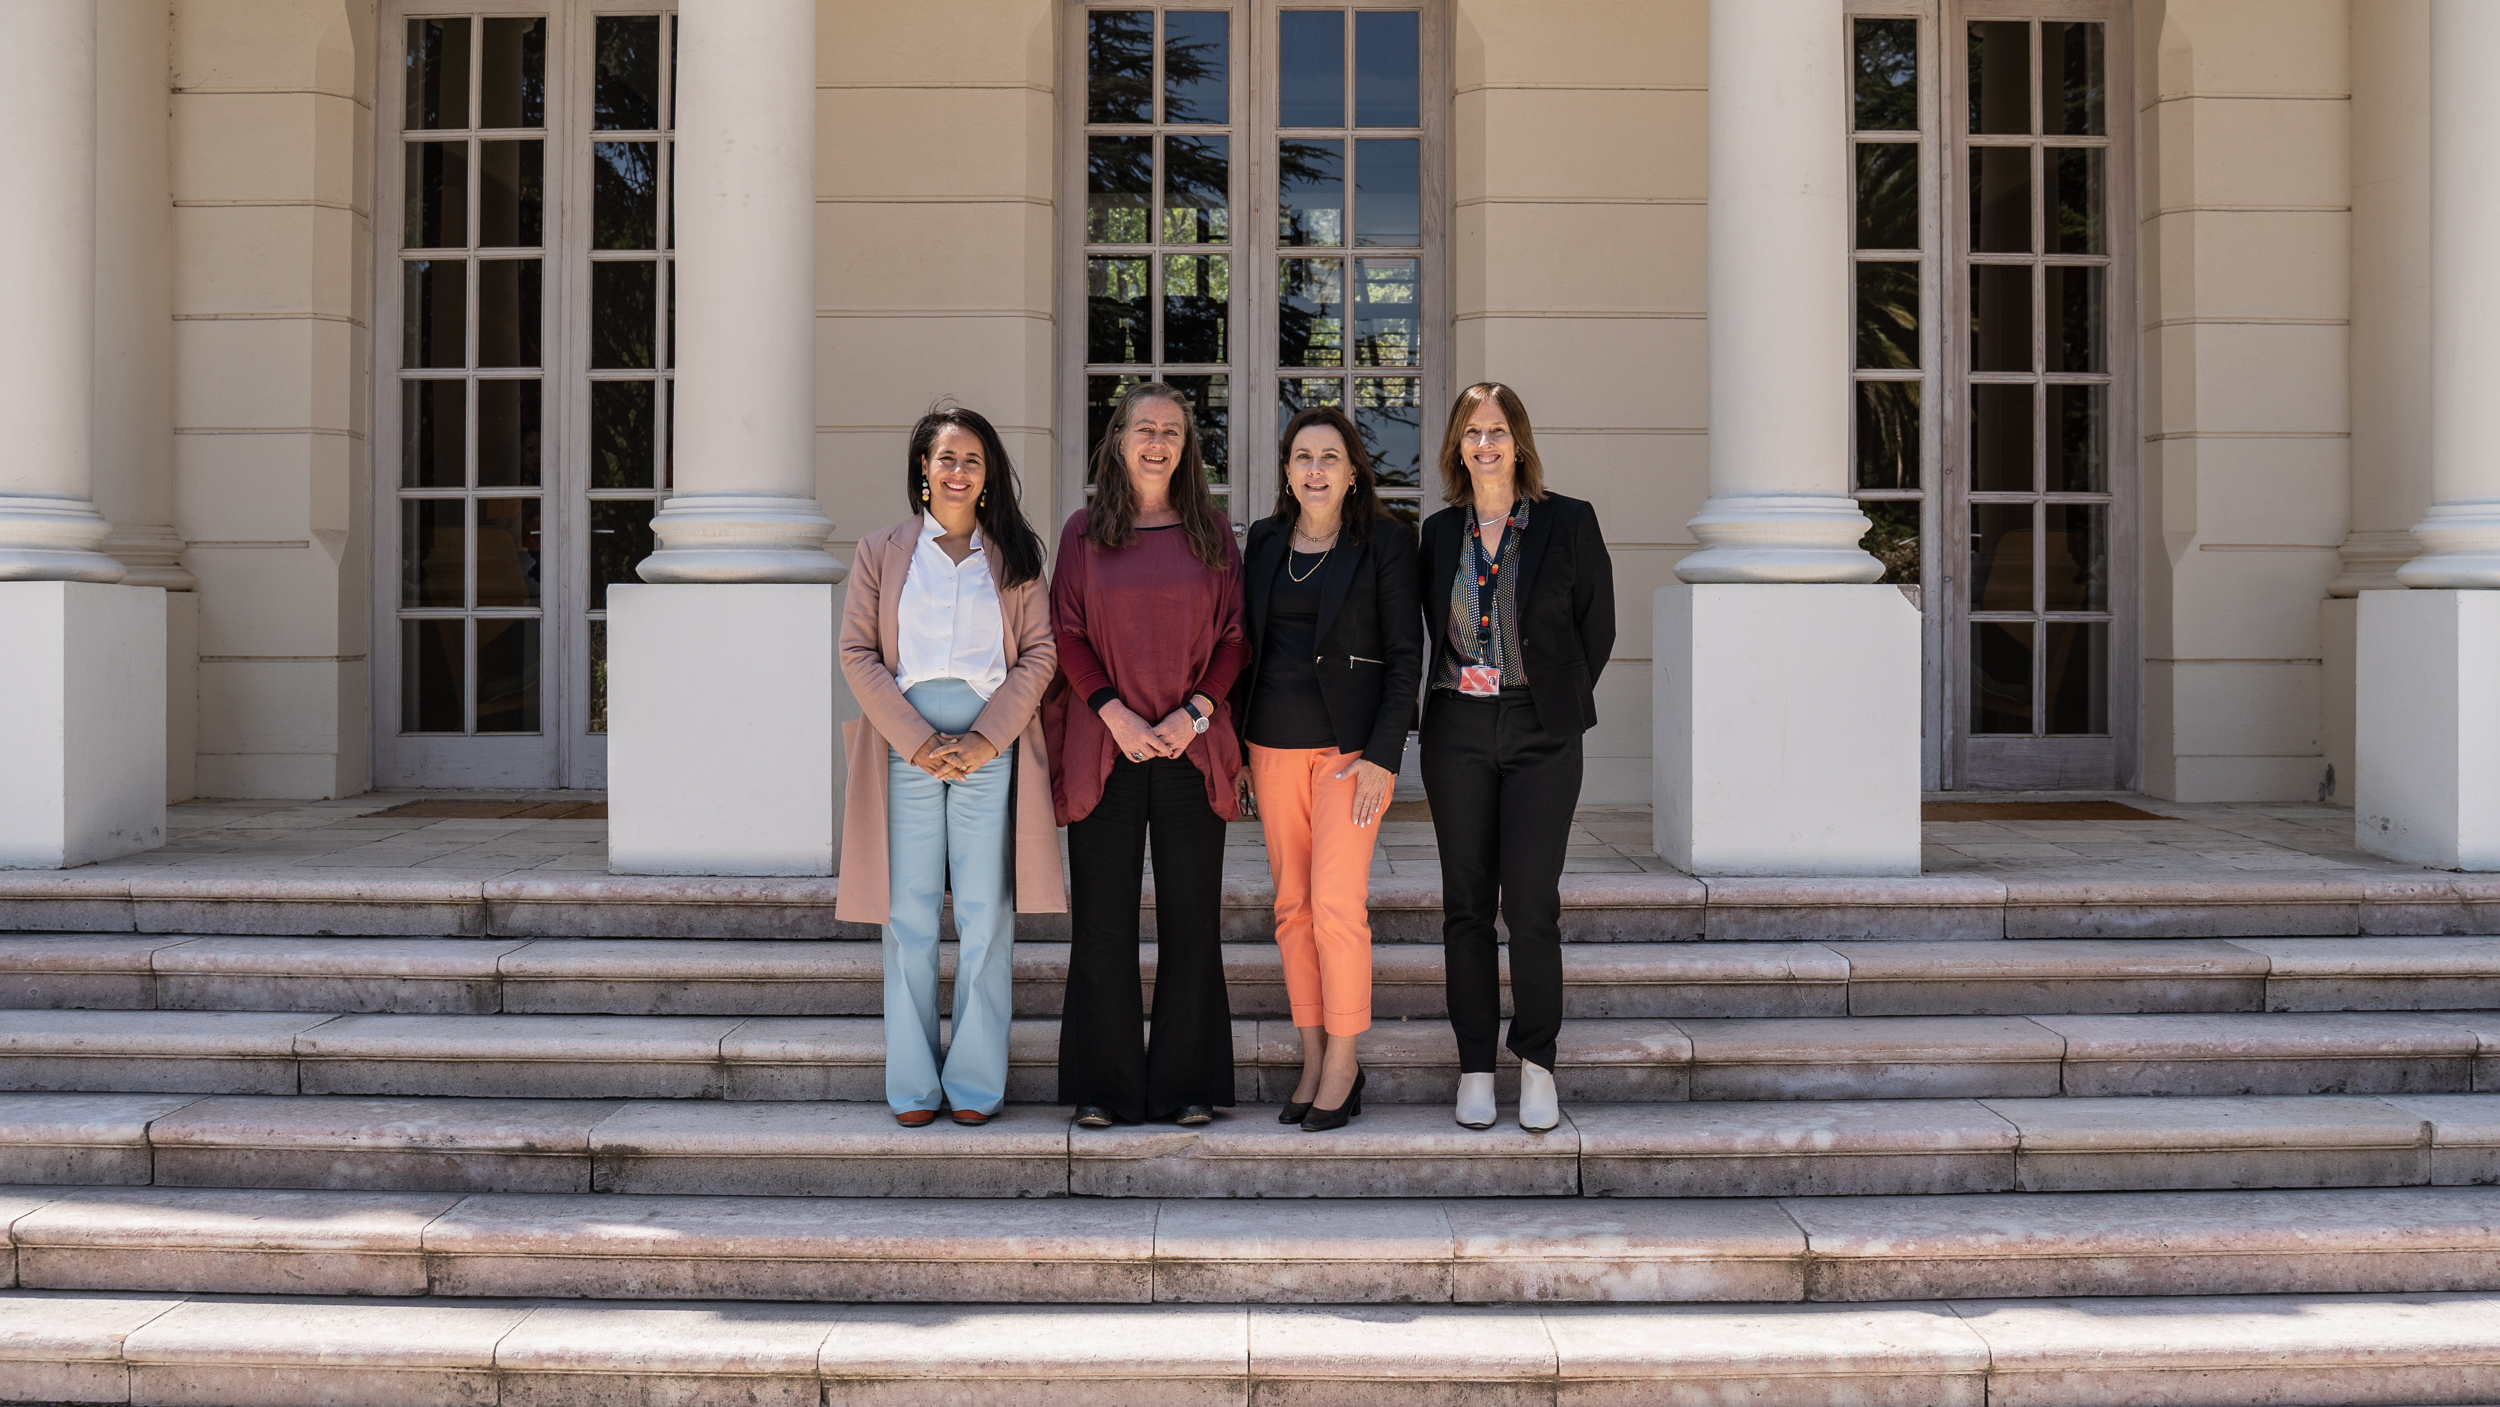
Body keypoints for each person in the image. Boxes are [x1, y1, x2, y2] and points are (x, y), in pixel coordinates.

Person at [836, 406, 1062, 1127]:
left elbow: (1040, 656)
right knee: (906, 915)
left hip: (989, 746)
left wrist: (987, 739)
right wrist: (915, 739)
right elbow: (857, 653)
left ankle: (972, 1083)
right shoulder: (881, 551)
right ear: (923, 472)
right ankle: (911, 1085)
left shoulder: (1017, 557)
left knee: (984, 914)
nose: (957, 470)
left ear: (987, 474)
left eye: (971, 458)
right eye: (945, 458)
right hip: (906, 747)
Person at [1048, 382, 1249, 1128]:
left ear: (1187, 445)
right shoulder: (1080, 533)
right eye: (1144, 428)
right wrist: (1116, 713)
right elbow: (1066, 632)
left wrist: (1195, 714)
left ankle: (1185, 1085)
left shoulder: (1212, 532)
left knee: (1192, 919)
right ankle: (1104, 1087)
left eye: (1171, 430)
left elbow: (1234, 638)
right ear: (1118, 440)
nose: (1158, 442)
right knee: (1102, 921)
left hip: (1191, 747)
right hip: (1109, 746)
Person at [1417, 382, 1615, 1133]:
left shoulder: (1568, 522)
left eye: (1497, 430)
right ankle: (1475, 1066)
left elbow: (1598, 628)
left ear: (1519, 441)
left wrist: (1551, 698)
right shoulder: (1438, 535)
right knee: (1466, 907)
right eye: (1472, 432)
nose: (1485, 444)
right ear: (1457, 447)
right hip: (1458, 733)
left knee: (1531, 904)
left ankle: (1536, 1062)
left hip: (1541, 733)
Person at [1234, 407, 1421, 1132]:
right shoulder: (1265, 542)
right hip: (1272, 747)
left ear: (1352, 472)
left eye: (1329, 457)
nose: (1315, 469)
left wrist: (1384, 754)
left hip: (1349, 755)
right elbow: (1247, 646)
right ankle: (1311, 1055)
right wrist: (1241, 748)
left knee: (1338, 908)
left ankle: (1344, 1061)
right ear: (1287, 470)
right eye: (1302, 456)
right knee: (1292, 911)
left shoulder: (1385, 545)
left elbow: (1407, 656)